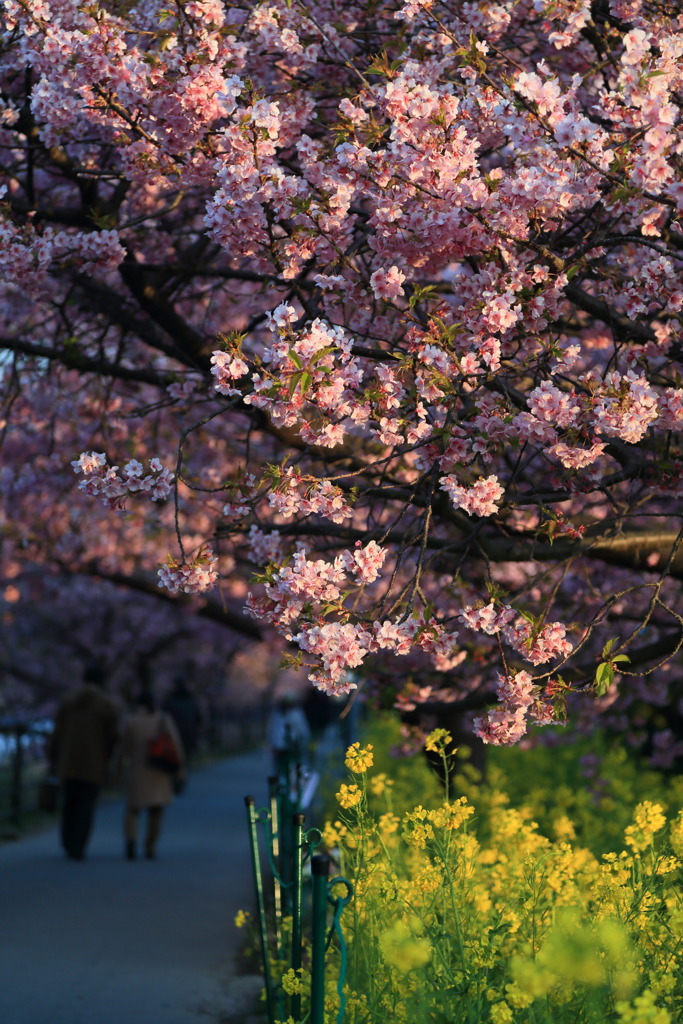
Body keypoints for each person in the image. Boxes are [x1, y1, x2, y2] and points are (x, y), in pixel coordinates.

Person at [49, 663, 120, 861]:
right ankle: (78, 846)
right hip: (93, 764)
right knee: (85, 806)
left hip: (68, 761)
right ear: (102, 682)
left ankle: (67, 841)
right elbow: (113, 737)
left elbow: (57, 733)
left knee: (69, 804)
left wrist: (53, 758)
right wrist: (107, 758)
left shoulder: (68, 702)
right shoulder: (107, 705)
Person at [119, 690, 185, 860]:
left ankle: (131, 840)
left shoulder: (131, 721)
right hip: (159, 770)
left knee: (132, 810)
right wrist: (179, 770)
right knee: (156, 811)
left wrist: (118, 769)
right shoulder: (163, 719)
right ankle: (150, 846)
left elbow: (123, 749)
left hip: (137, 771)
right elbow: (176, 746)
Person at [161, 675, 202, 764]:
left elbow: (163, 717)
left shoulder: (169, 700)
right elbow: (198, 718)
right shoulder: (191, 700)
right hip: (189, 733)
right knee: (186, 758)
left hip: (174, 734)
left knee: (175, 759)